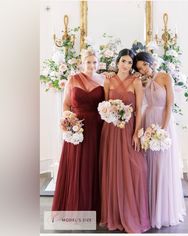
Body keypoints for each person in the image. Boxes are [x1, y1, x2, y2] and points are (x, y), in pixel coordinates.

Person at [99, 49, 150, 233]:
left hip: (128, 130)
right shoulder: (108, 80)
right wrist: (109, 113)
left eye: (129, 62)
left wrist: (137, 133)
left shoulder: (136, 81)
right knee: (113, 170)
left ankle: (131, 213)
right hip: (111, 131)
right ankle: (114, 214)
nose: (126, 65)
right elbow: (103, 105)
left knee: (136, 169)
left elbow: (139, 109)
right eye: (123, 61)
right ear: (117, 61)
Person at [133, 51, 186, 229]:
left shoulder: (165, 77)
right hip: (149, 120)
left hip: (163, 122)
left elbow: (169, 103)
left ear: (151, 62)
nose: (143, 70)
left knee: (163, 165)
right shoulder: (141, 81)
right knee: (149, 164)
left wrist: (163, 129)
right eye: (140, 68)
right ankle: (149, 210)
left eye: (145, 65)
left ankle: (163, 211)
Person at [51, 48, 104, 222]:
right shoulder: (72, 80)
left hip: (96, 127)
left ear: (98, 63)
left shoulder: (103, 80)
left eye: (94, 62)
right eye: (88, 62)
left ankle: (93, 207)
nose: (91, 65)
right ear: (82, 63)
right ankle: (74, 207)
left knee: (92, 164)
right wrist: (70, 122)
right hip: (76, 128)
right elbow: (66, 105)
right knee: (75, 164)